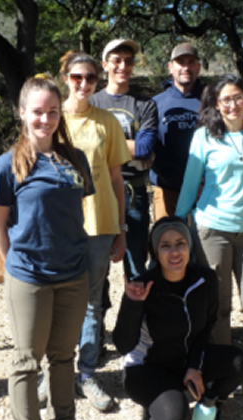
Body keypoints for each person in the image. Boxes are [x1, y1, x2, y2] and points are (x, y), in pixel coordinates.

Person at [0, 76, 93, 420]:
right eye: (37, 112)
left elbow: (75, 209)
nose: (45, 119)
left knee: (63, 358)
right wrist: (11, 257)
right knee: (27, 361)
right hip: (29, 276)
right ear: (22, 113)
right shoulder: (7, 164)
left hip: (73, 275)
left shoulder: (74, 158)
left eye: (52, 112)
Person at [176, 73, 243, 392]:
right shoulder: (205, 137)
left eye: (238, 97)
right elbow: (192, 183)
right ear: (216, 105)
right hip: (212, 229)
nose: (232, 104)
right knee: (219, 307)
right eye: (226, 99)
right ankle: (226, 365)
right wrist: (176, 223)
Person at [113, 216, 243, 420]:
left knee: (236, 362)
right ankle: (153, 408)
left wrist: (195, 366)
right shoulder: (143, 285)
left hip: (185, 360)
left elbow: (207, 328)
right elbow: (123, 345)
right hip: (148, 368)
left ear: (189, 246)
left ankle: (210, 411)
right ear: (156, 251)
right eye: (165, 246)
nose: (174, 252)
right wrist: (132, 304)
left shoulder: (205, 279)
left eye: (180, 243)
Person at [59, 50, 131, 412]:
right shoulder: (51, 119)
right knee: (54, 300)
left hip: (100, 223)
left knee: (91, 302)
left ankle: (86, 373)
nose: (84, 84)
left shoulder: (107, 122)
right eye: (76, 77)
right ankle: (55, 374)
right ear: (65, 79)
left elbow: (117, 178)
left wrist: (121, 228)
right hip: (58, 225)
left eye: (90, 78)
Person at [90, 38, 158, 279]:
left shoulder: (145, 104)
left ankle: (137, 316)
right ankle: (96, 316)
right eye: (116, 60)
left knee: (137, 267)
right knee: (96, 271)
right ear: (105, 64)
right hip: (97, 192)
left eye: (128, 61)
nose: (123, 66)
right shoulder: (92, 102)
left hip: (134, 193)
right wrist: (129, 146)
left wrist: (101, 143)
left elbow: (145, 149)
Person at [151, 43, 204, 219]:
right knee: (167, 241)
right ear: (171, 67)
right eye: (180, 62)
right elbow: (151, 146)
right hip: (167, 189)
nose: (186, 67)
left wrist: (202, 182)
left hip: (206, 189)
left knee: (203, 245)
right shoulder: (155, 104)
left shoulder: (213, 100)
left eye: (191, 62)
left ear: (199, 67)